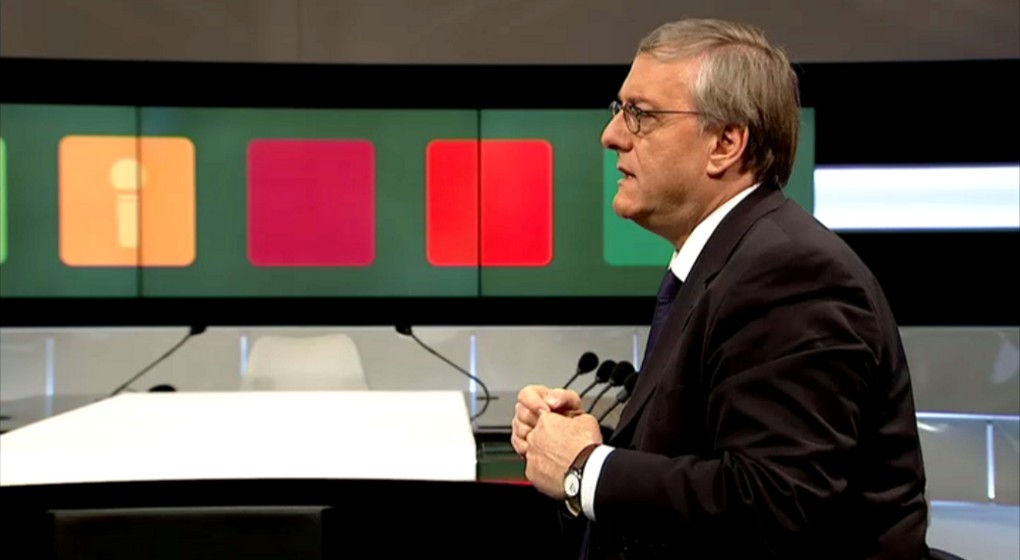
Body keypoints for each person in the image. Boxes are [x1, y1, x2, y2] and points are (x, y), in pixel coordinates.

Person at [511, 17, 931, 559]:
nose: (611, 135)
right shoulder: (730, 260)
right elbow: (707, 463)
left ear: (726, 143)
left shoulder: (791, 273)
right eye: (619, 110)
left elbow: (774, 503)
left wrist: (586, 469)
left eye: (640, 114)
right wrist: (582, 445)